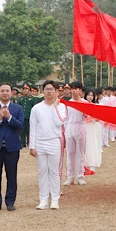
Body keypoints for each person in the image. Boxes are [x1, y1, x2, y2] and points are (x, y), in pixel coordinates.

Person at [0, 83, 24, 212]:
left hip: (12, 147)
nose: (5, 93)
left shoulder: (17, 108)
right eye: (2, 91)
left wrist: (9, 117)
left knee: (11, 176)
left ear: (11, 93)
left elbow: (20, 125)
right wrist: (0, 118)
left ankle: (10, 202)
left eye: (7, 91)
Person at [29, 80, 67, 210]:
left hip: (54, 142)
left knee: (54, 172)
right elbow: (33, 128)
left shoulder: (61, 107)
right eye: (47, 89)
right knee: (42, 172)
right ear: (43, 91)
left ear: (56, 92)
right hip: (40, 143)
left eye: (52, 89)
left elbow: (59, 122)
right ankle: (43, 199)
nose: (49, 92)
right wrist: (32, 146)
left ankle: (55, 199)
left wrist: (56, 106)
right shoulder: (36, 108)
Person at [62, 81, 88, 185]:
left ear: (80, 90)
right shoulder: (67, 103)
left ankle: (80, 176)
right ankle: (70, 177)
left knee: (80, 153)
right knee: (70, 153)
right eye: (72, 89)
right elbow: (64, 117)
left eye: (76, 88)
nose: (74, 91)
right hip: (69, 127)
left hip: (80, 126)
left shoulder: (84, 103)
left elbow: (88, 116)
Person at [84, 89, 102, 174]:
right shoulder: (82, 105)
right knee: (86, 146)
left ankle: (92, 166)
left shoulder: (95, 106)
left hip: (93, 127)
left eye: (92, 95)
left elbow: (98, 119)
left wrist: (94, 118)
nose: (90, 97)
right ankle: (85, 166)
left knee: (92, 145)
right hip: (85, 127)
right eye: (89, 95)